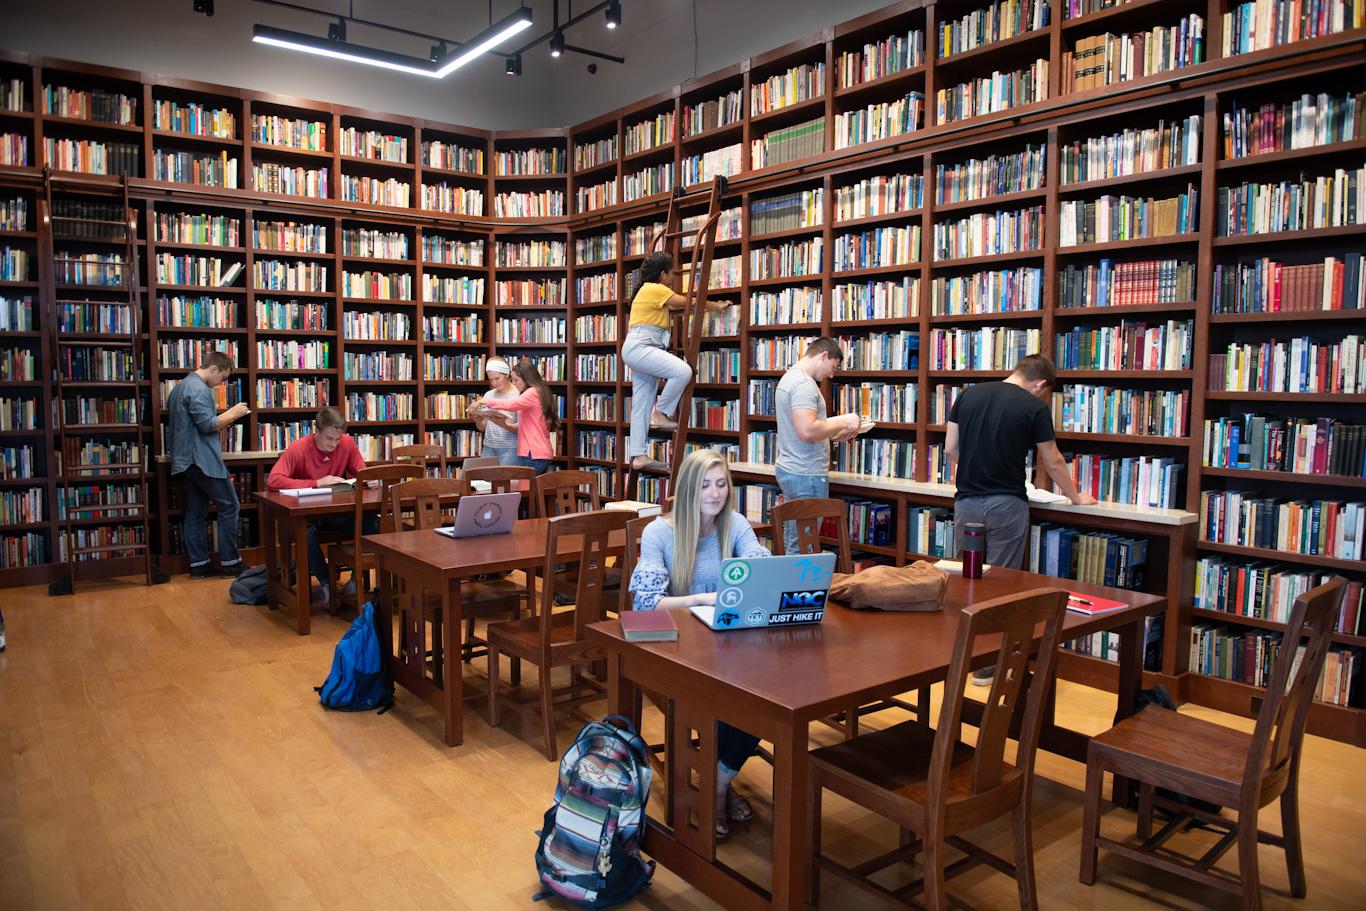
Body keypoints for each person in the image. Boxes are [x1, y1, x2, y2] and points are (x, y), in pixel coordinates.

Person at [628, 448, 770, 839]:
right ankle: (719, 781)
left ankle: (717, 781)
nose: (715, 493)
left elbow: (758, 564)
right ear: (688, 488)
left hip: (726, 642)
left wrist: (760, 566)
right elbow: (645, 603)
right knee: (733, 692)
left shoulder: (735, 524)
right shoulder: (659, 532)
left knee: (768, 689)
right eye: (705, 485)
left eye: (721, 484)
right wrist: (699, 599)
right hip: (678, 649)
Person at [945, 353, 1096, 684]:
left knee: (966, 582)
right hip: (1006, 505)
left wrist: (975, 468)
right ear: (1040, 383)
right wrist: (1075, 496)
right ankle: (987, 667)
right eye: (1043, 392)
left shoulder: (968, 395)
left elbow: (951, 448)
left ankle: (957, 659)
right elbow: (1053, 460)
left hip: (966, 503)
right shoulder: (1034, 407)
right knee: (1000, 587)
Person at [621, 252, 730, 470]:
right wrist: (717, 306)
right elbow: (688, 302)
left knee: (641, 402)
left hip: (638, 347)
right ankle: (661, 413)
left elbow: (676, 306)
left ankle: (638, 456)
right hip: (642, 346)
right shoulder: (656, 289)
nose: (672, 278)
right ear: (662, 274)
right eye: (671, 273)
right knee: (683, 371)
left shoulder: (648, 291)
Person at [266, 406, 372, 604]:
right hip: (309, 514)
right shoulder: (299, 447)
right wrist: (316, 483)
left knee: (371, 522)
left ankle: (356, 579)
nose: (334, 444)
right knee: (304, 531)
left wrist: (369, 479)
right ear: (316, 432)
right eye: (329, 439)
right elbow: (273, 480)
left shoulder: (346, 444)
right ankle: (326, 583)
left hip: (336, 512)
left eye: (337, 439)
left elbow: (361, 472)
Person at [165, 350, 251, 578]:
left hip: (185, 461)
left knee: (196, 511)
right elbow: (207, 425)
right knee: (230, 506)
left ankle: (199, 565)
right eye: (222, 378)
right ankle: (231, 563)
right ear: (214, 369)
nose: (220, 384)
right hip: (202, 460)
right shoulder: (199, 390)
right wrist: (234, 413)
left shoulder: (179, 388)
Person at [774, 337, 862, 554]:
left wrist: (833, 433)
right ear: (823, 356)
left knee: (795, 538)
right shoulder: (804, 384)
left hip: (792, 468)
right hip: (806, 473)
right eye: (833, 367)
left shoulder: (789, 378)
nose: (831, 374)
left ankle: (791, 587)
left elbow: (805, 429)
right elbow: (806, 430)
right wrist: (844, 420)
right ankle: (798, 588)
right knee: (805, 544)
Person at [474, 360, 558, 475]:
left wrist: (485, 401)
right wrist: (505, 424)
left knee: (521, 488)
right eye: (512, 380)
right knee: (525, 488)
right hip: (536, 452)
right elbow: (528, 425)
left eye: (516, 380)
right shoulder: (539, 391)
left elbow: (511, 405)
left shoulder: (532, 392)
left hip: (533, 453)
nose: (514, 383)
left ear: (527, 378)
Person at [473, 356, 520, 465]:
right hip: (489, 447)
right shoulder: (488, 395)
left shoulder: (518, 395)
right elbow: (482, 427)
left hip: (510, 449)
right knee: (483, 481)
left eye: (497, 378)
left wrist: (504, 424)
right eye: (491, 379)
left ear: (507, 374)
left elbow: (523, 428)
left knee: (506, 482)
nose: (494, 383)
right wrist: (478, 420)